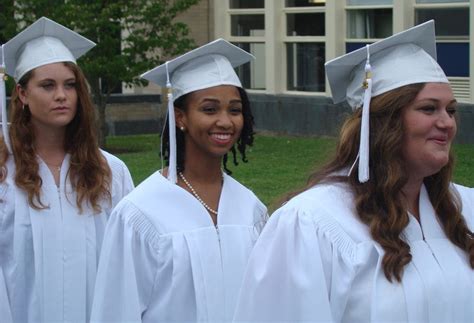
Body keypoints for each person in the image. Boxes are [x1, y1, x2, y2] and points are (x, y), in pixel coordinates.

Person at [233, 20, 473, 322]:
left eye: (450, 110)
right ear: (383, 123)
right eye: (429, 108)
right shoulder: (314, 222)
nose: (447, 122)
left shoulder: (466, 208)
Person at [91, 39, 268, 322]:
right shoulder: (139, 213)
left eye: (234, 110)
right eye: (209, 109)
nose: (225, 121)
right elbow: (116, 311)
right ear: (180, 116)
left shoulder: (252, 209)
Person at [0, 17, 134, 322]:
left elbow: (126, 264)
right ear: (22, 94)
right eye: (47, 85)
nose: (62, 95)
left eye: (70, 85)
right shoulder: (4, 174)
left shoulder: (110, 171)